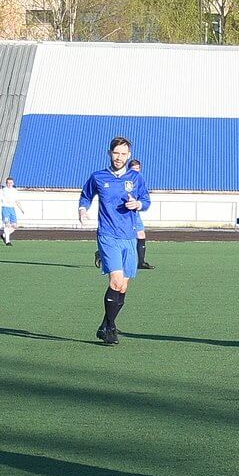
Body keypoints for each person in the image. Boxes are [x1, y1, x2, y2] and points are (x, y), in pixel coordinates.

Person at [78, 136, 150, 345]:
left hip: (129, 237)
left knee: (123, 288)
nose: (119, 157)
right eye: (116, 153)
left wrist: (137, 204)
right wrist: (83, 209)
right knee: (116, 282)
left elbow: (146, 200)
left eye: (123, 154)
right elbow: (86, 195)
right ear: (109, 153)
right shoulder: (98, 177)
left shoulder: (135, 178)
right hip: (108, 235)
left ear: (129, 155)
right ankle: (110, 328)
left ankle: (104, 325)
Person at [128, 159, 155, 269]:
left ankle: (141, 262)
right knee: (122, 237)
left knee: (141, 235)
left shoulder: (140, 180)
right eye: (133, 169)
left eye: (137, 169)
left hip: (134, 212)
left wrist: (139, 203)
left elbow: (144, 197)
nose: (136, 171)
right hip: (123, 213)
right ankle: (101, 253)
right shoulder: (124, 180)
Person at [1, 176, 19, 246]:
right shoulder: (3, 190)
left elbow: (17, 200)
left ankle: (5, 234)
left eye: (11, 183)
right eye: (8, 183)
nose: (9, 184)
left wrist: (21, 209)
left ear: (13, 183)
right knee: (7, 225)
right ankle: (7, 241)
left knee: (14, 226)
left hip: (12, 209)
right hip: (5, 209)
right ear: (6, 183)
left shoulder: (15, 190)